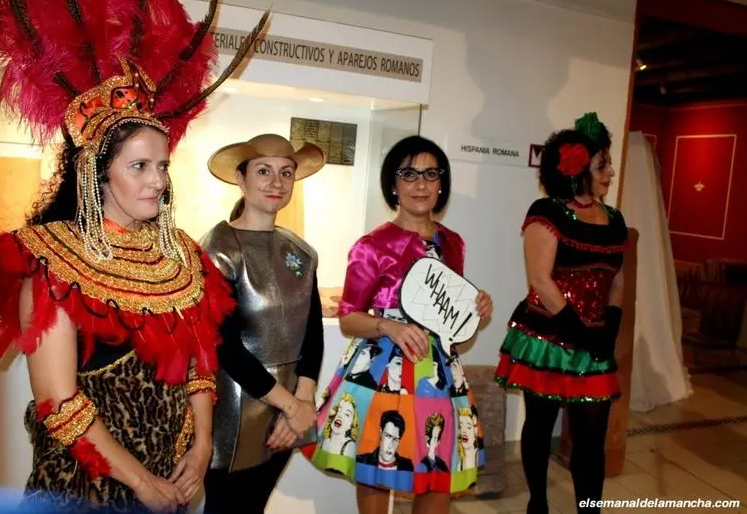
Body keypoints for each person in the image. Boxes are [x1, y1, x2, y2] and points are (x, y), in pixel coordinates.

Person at [0, 0, 268, 512]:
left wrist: (201, 448)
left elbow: (199, 364)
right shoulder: (54, 262)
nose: (158, 182)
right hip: (83, 489)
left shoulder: (181, 257)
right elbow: (58, 401)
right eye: (139, 167)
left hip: (171, 482)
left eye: (163, 166)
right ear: (96, 172)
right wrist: (141, 483)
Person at [302, 135, 494, 514]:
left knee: (437, 465)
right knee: (377, 468)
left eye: (430, 174)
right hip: (382, 370)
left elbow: (450, 318)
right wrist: (388, 327)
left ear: (442, 183)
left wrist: (475, 310)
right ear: (393, 184)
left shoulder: (453, 243)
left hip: (439, 373)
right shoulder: (371, 246)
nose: (420, 184)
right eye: (409, 174)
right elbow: (349, 318)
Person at [494, 112, 627, 514]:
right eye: (603, 165)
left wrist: (610, 325)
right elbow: (540, 279)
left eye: (608, 165)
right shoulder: (547, 212)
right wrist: (578, 330)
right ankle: (538, 503)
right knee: (540, 423)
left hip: (594, 341)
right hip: (548, 337)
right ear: (577, 169)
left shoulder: (615, 219)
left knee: (592, 436)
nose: (610, 173)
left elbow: (618, 279)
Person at [199, 134, 326, 514]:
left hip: (287, 411)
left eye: (286, 173)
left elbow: (312, 331)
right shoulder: (217, 249)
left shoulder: (300, 251)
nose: (277, 182)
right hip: (235, 408)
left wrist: (302, 401)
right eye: (264, 171)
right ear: (241, 179)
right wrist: (291, 405)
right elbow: (224, 346)